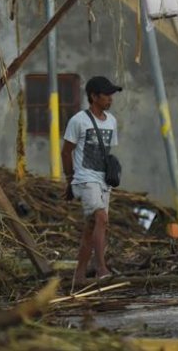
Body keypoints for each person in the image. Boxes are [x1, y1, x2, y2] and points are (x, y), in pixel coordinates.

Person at [62, 76, 122, 286]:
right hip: (85, 178)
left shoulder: (112, 121)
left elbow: (107, 151)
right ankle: (101, 269)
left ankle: (78, 276)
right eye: (106, 95)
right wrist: (70, 181)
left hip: (102, 180)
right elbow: (66, 152)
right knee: (101, 219)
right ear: (93, 96)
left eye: (111, 95)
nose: (110, 99)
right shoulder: (79, 120)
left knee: (91, 228)